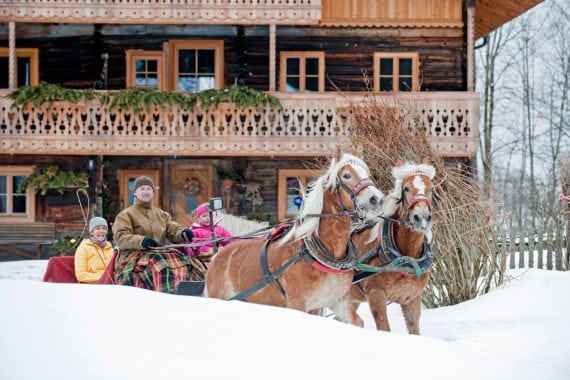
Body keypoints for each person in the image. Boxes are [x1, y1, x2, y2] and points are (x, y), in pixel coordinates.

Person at [112, 175, 201, 293]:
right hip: (133, 255)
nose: (146, 191)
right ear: (135, 193)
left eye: (149, 189)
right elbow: (121, 237)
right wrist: (141, 241)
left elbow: (172, 229)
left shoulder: (161, 214)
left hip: (157, 252)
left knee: (182, 259)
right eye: (142, 188)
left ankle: (186, 290)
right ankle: (167, 291)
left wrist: (182, 233)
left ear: (153, 193)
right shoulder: (125, 215)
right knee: (159, 261)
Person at [74, 216, 115, 284]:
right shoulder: (83, 248)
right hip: (91, 286)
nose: (101, 231)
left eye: (104, 228)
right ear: (91, 232)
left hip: (110, 285)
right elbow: (80, 275)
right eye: (98, 228)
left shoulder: (110, 248)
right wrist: (104, 278)